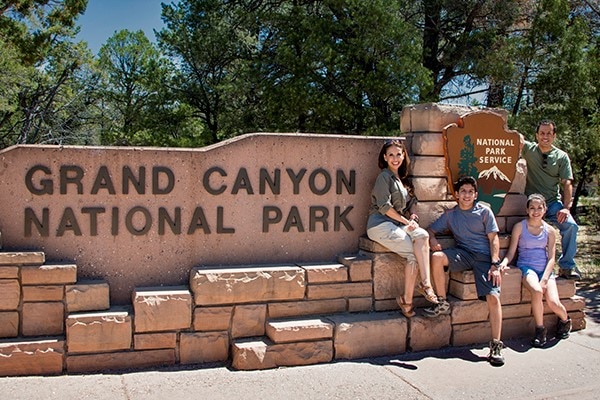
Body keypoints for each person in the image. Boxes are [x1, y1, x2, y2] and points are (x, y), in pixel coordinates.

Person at [425, 176, 505, 366]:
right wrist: (433, 240)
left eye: (470, 192)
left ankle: (496, 345)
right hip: (464, 254)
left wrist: (495, 264)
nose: (467, 195)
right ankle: (442, 302)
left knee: (493, 297)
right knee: (437, 257)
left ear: (475, 195)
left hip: (485, 258)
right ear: (457, 195)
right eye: (463, 191)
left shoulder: (484, 212)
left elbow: (494, 238)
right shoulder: (451, 215)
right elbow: (430, 230)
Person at [366, 139, 439, 319]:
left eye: (398, 154)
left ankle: (422, 287)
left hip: (398, 223)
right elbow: (384, 206)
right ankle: (412, 296)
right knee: (413, 253)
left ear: (403, 155)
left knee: (422, 235)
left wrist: (413, 217)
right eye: (390, 155)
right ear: (384, 157)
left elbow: (413, 202)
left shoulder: (403, 178)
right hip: (380, 224)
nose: (395, 158)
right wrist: (406, 222)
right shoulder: (384, 177)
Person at [499, 194, 571, 347]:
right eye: (532, 208)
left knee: (553, 303)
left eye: (539, 208)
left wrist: (545, 278)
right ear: (527, 209)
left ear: (545, 210)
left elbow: (552, 258)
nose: (536, 211)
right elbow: (511, 252)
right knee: (537, 291)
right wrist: (504, 263)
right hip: (527, 267)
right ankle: (540, 330)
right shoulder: (520, 227)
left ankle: (565, 321)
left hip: (545, 270)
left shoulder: (550, 231)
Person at [520, 120, 580, 280]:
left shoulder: (561, 157)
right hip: (530, 204)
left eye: (548, 133)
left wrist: (566, 208)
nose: (545, 137)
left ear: (554, 136)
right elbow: (512, 139)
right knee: (515, 227)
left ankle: (567, 266)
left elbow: (567, 183)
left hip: (552, 203)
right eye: (542, 133)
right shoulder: (529, 149)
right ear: (536, 135)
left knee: (571, 226)